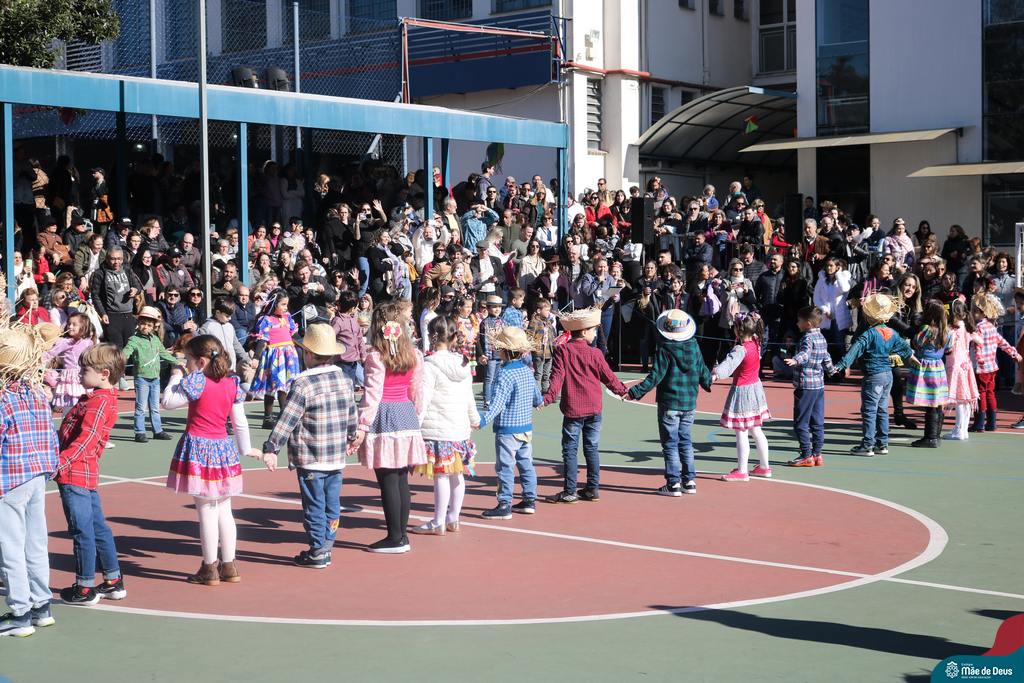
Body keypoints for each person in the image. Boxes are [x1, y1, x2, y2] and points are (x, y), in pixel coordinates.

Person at [162, 335, 260, 585]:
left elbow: (167, 402)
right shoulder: (231, 383)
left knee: (206, 510)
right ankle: (229, 565)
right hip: (223, 450)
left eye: (188, 360)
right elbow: (239, 421)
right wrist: (245, 448)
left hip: (199, 449)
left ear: (201, 362)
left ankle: (209, 567)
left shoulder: (196, 381)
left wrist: (176, 375)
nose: (186, 364)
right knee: (225, 510)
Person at [260, 324, 356, 568]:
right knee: (332, 503)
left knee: (314, 504)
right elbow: (351, 413)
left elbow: (287, 419)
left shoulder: (303, 384)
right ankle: (327, 545)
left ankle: (317, 549)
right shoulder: (345, 379)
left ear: (309, 354)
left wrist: (272, 447)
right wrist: (352, 436)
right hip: (335, 455)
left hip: (311, 456)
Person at [347, 303, 427, 553]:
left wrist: (362, 425)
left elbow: (372, 394)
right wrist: (416, 418)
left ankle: (395, 538)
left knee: (388, 479)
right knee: (401, 478)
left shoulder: (376, 357)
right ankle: (401, 536)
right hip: (407, 414)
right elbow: (417, 391)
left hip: (384, 416)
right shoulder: (414, 354)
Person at [54, 344, 127, 605]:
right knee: (97, 527)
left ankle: (84, 588)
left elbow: (87, 439)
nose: (79, 374)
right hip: (86, 473)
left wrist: (60, 462)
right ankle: (112, 580)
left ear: (104, 374)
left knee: (81, 531)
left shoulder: (97, 402)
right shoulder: (102, 397)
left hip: (74, 473)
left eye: (84, 370)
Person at [0, 323, 60, 637]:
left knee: (11, 546)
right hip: (37, 476)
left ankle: (20, 613)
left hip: (9, 479)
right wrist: (49, 469)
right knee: (36, 542)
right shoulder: (36, 394)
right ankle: (41, 606)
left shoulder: (2, 399)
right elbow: (51, 437)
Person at [542, 307, 629, 503]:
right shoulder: (596, 353)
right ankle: (592, 488)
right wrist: (623, 391)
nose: (595, 333)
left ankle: (570, 491)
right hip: (594, 409)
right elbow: (609, 377)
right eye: (593, 330)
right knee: (591, 448)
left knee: (570, 450)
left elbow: (556, 379)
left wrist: (547, 398)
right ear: (583, 331)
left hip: (573, 409)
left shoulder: (563, 351)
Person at [627, 309, 711, 495]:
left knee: (671, 443)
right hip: (689, 404)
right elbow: (703, 370)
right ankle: (689, 481)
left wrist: (635, 392)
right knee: (685, 440)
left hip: (669, 403)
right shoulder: (695, 346)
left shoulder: (665, 349)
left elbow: (655, 377)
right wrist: (708, 382)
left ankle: (673, 483)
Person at [410, 316, 481, 533]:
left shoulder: (430, 364)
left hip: (438, 430)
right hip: (459, 430)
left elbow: (424, 399)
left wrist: (414, 425)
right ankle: (453, 518)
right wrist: (475, 419)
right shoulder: (464, 363)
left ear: (431, 336)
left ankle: (438, 521)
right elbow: (469, 396)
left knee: (441, 475)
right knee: (457, 474)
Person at [833, 294, 918, 457]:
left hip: (873, 376)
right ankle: (882, 443)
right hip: (887, 375)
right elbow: (904, 347)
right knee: (882, 410)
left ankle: (867, 445)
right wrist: (911, 356)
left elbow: (855, 350)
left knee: (869, 411)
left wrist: (841, 365)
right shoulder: (892, 332)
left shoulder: (869, 334)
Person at [710, 312, 772, 482]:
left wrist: (715, 374)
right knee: (756, 429)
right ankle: (764, 466)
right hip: (755, 390)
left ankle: (742, 471)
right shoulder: (756, 342)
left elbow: (729, 363)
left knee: (741, 431)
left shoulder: (740, 349)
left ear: (738, 330)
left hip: (743, 392)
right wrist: (735, 318)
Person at [782, 307, 837, 467]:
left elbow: (805, 353)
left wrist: (795, 360)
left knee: (801, 423)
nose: (797, 324)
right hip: (818, 386)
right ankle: (817, 454)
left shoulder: (807, 338)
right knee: (817, 423)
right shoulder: (821, 337)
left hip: (806, 386)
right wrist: (831, 370)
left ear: (808, 324)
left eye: (799, 321)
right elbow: (826, 356)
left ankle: (806, 454)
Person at [122, 307, 178, 443]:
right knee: (141, 407)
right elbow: (125, 353)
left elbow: (163, 353)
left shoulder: (155, 339)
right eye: (143, 323)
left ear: (154, 326)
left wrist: (177, 362)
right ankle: (139, 432)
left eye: (149, 325)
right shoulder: (134, 340)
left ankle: (157, 430)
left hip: (155, 378)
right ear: (138, 323)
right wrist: (118, 361)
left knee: (155, 407)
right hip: (142, 378)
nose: (145, 327)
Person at [970, 293, 1021, 432]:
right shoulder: (992, 327)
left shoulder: (979, 327)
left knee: (981, 394)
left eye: (975, 311)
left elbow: (978, 346)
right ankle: (991, 423)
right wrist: (1014, 353)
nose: (972, 313)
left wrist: (979, 360)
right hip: (992, 367)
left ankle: (979, 424)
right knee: (990, 394)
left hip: (981, 368)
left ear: (983, 313)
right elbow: (1003, 343)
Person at [251, 291, 302, 429]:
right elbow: (262, 340)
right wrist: (256, 357)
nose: (286, 307)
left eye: (286, 304)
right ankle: (268, 418)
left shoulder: (287, 318)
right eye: (283, 304)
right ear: (274, 304)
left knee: (284, 387)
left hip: (288, 356)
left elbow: (295, 336)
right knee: (271, 387)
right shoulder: (267, 320)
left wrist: (308, 345)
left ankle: (284, 417)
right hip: (275, 357)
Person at [907, 301, 955, 448]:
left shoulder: (927, 329)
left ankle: (930, 438)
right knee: (937, 401)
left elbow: (915, 343)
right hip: (938, 366)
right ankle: (936, 436)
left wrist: (917, 327)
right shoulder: (947, 331)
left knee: (929, 403)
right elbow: (949, 350)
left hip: (926, 367)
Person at [42, 313, 96, 417]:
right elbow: (49, 354)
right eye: (69, 324)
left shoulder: (88, 342)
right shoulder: (64, 342)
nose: (70, 326)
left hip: (84, 376)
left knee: (85, 404)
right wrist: (36, 362)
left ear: (84, 327)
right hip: (71, 379)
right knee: (70, 407)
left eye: (74, 324)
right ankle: (66, 424)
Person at [943, 298, 980, 440]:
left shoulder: (951, 328)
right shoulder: (967, 327)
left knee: (959, 398)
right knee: (965, 398)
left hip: (955, 365)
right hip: (966, 364)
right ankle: (963, 429)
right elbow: (980, 341)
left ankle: (959, 430)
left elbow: (946, 343)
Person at [91, 248, 141, 349]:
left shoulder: (127, 270)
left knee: (130, 347)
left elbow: (138, 286)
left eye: (119, 259)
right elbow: (95, 295)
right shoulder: (100, 273)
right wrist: (102, 313)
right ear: (106, 259)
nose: (116, 262)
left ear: (122, 259)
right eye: (113, 259)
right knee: (115, 349)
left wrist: (135, 290)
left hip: (129, 315)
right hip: (111, 315)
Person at [331, 290, 367, 388]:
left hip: (353, 360)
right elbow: (331, 336)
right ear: (352, 309)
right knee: (344, 386)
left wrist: (363, 354)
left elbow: (359, 338)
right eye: (357, 307)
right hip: (342, 360)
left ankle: (351, 397)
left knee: (351, 384)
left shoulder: (354, 319)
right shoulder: (338, 321)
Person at [475, 295, 506, 408]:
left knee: (497, 378)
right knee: (489, 378)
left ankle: (494, 398)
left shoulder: (502, 321)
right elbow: (485, 340)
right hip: (490, 355)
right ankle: (487, 400)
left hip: (500, 354)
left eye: (499, 307)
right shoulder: (485, 322)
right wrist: (485, 354)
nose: (497, 309)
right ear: (487, 308)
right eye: (494, 307)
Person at [527, 298, 557, 393]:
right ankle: (535, 393)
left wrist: (556, 347)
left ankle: (545, 392)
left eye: (549, 310)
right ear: (539, 311)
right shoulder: (534, 322)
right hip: (539, 352)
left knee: (546, 374)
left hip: (549, 353)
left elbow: (551, 338)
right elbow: (529, 335)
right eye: (547, 310)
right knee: (538, 374)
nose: (549, 312)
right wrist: (529, 346)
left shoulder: (548, 323)